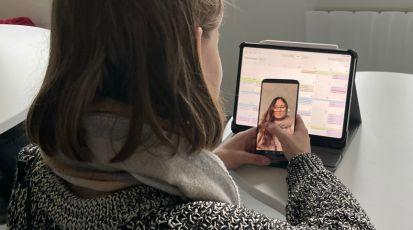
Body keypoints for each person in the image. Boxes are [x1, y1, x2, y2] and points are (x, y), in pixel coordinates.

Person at [7, 0, 375, 229]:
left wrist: (208, 163)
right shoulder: (196, 222)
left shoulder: (33, 169)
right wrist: (305, 163)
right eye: (215, 39)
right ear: (192, 52)